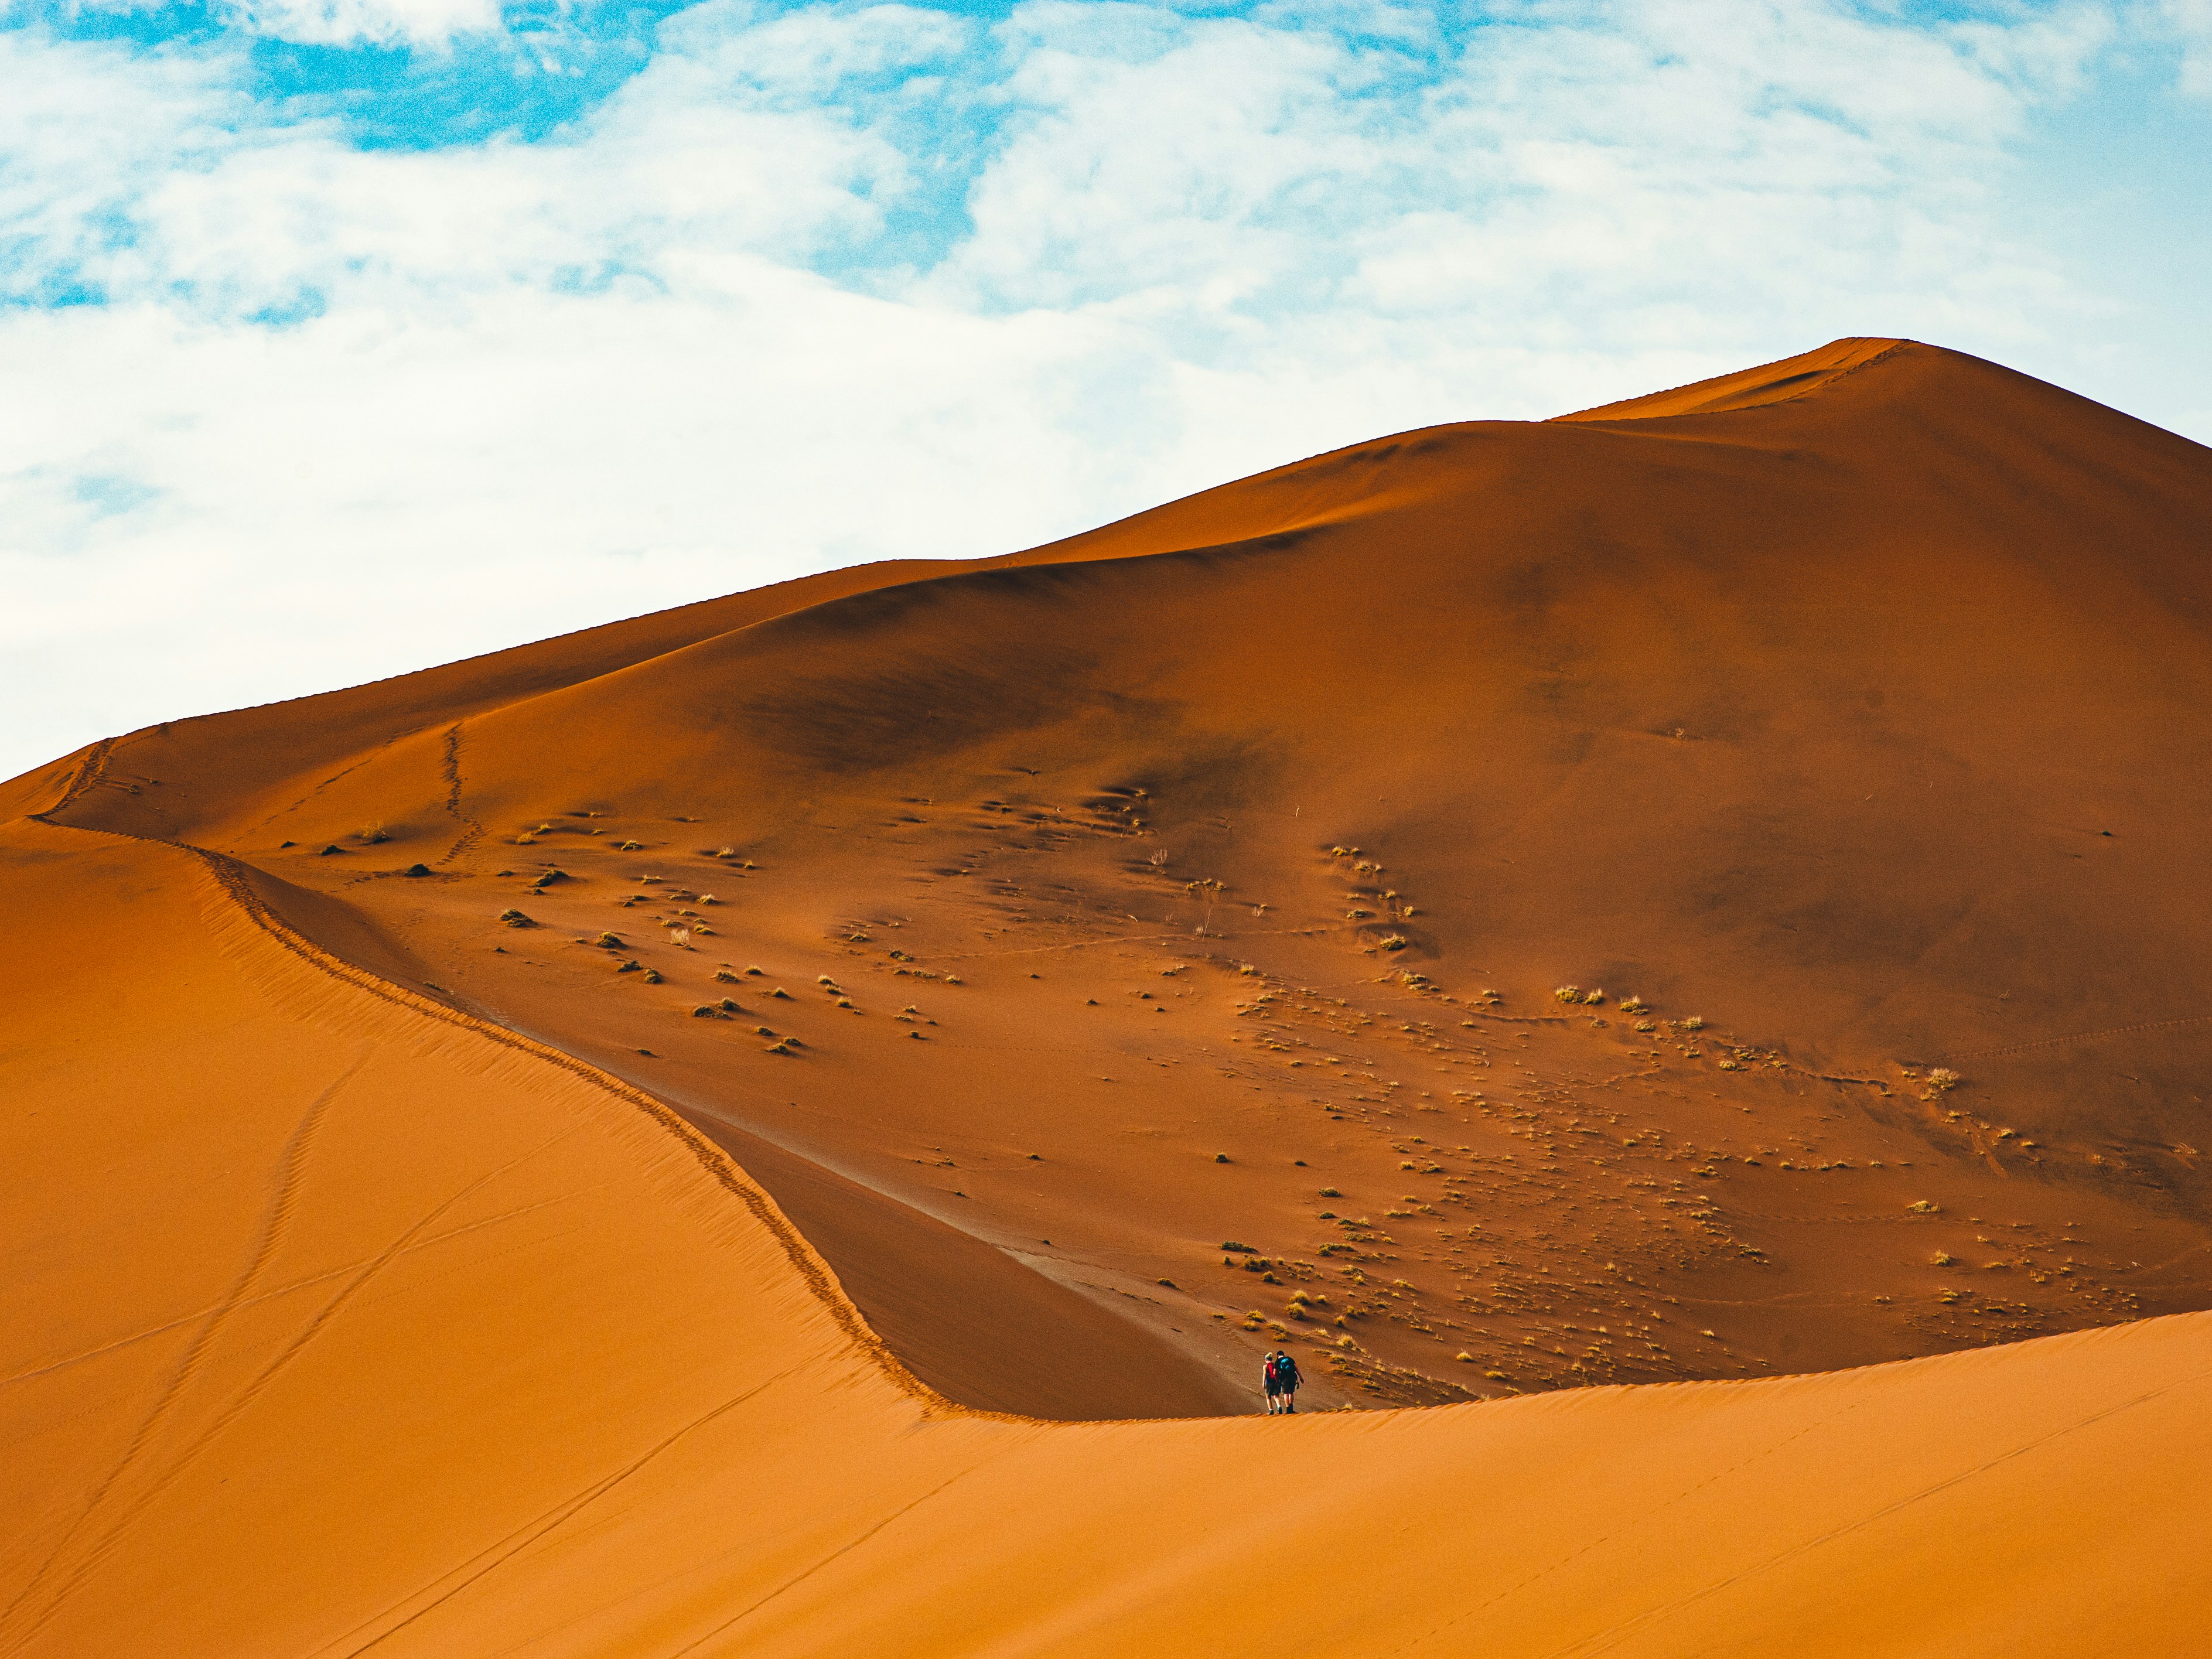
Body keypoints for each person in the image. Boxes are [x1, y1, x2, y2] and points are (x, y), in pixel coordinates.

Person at [1263, 1349, 1302, 1414]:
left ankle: (1287, 1409)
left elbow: (1275, 1373)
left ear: (1278, 1356)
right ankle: (1290, 1408)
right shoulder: (1290, 1359)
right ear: (1283, 1355)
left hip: (1283, 1379)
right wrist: (1301, 1377)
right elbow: (1296, 1368)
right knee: (1291, 1393)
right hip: (1293, 1378)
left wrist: (1277, 1380)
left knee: (1285, 1394)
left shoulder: (1277, 1361)